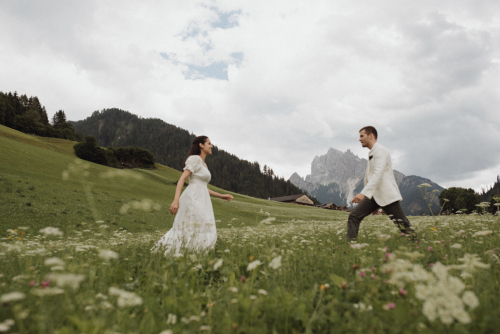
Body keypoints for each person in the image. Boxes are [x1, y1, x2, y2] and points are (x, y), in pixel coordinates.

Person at [152, 136, 233, 255]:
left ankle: (194, 254)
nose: (211, 146)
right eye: (209, 143)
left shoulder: (204, 164)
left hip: (202, 198)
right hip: (192, 198)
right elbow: (182, 179)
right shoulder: (195, 159)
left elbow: (203, 187)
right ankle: (175, 253)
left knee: (202, 226)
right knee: (196, 226)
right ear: (201, 145)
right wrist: (176, 200)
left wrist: (221, 196)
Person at [347, 126, 417, 241]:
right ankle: (349, 245)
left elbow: (377, 175)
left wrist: (363, 193)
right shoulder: (373, 152)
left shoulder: (380, 150)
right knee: (354, 216)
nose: (359, 139)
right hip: (375, 195)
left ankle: (418, 244)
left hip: (386, 193)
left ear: (371, 136)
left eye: (361, 136)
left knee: (403, 224)